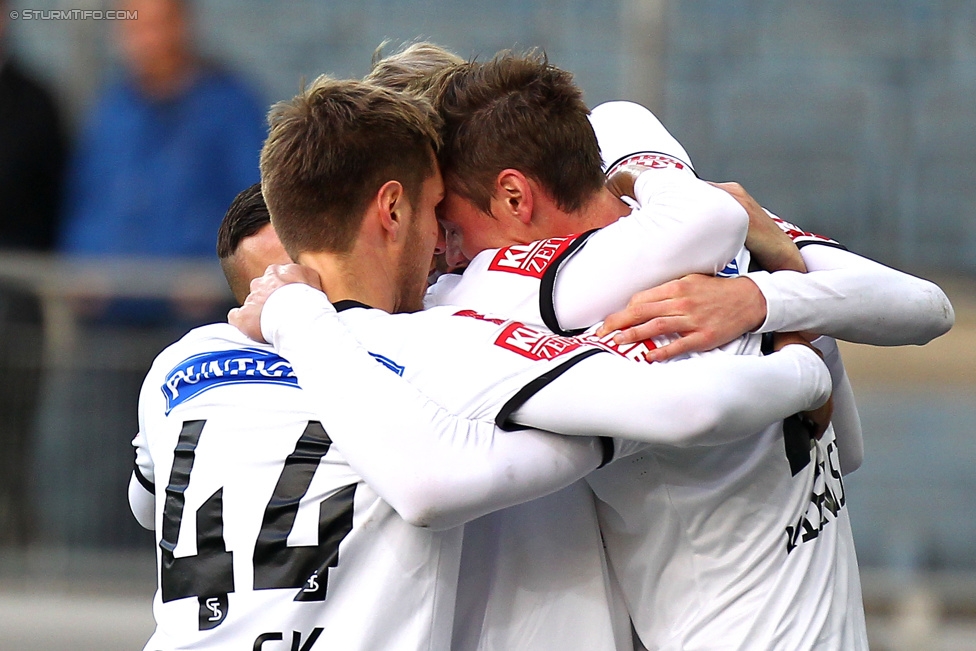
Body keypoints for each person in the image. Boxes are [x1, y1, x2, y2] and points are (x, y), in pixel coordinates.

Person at [142, 74, 829, 650]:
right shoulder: (439, 344)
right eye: (437, 210)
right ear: (392, 208)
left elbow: (149, 502)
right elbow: (685, 405)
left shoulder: (186, 364)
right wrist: (799, 360)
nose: (445, 246)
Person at [425, 52, 955, 650]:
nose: (449, 252)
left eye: (455, 226)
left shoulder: (544, 294)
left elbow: (927, 309)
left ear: (516, 197)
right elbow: (919, 320)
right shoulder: (727, 233)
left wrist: (760, 301)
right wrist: (790, 326)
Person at [59, 0, 266, 261]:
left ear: (183, 25)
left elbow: (256, 208)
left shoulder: (231, 109)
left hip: (201, 293)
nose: (148, 41)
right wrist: (80, 263)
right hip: (111, 289)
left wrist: (217, 274)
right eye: (135, 28)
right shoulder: (110, 111)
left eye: (156, 26)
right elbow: (85, 204)